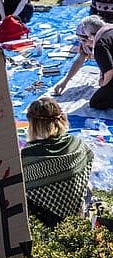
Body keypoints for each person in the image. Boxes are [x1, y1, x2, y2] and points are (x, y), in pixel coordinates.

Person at [21, 96, 94, 227]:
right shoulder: (76, 143)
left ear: (33, 124)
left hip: (51, 223)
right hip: (79, 210)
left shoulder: (28, 156)